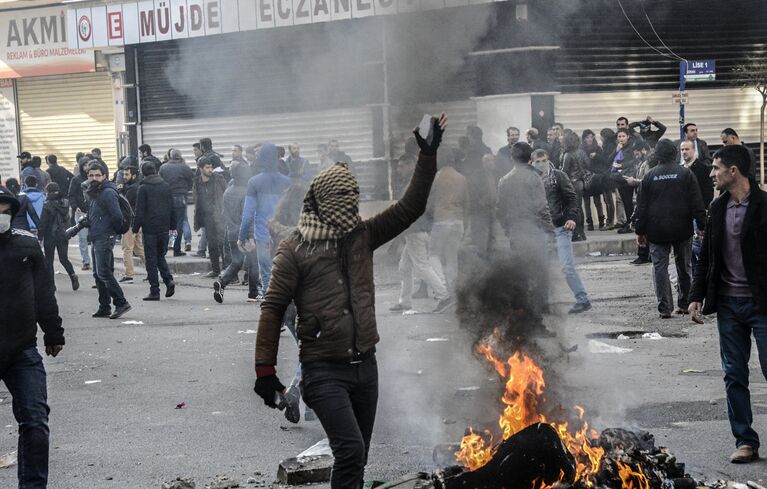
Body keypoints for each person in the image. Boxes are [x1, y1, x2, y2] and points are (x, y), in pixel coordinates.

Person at [253, 114, 447, 489]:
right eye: (340, 200)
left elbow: (410, 208)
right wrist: (265, 373)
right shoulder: (295, 247)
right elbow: (273, 307)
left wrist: (427, 157)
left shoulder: (361, 235)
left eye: (352, 198)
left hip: (365, 367)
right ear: (321, 202)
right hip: (323, 370)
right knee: (351, 451)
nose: (349, 207)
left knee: (357, 458)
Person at [688, 145, 767, 464]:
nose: (711, 173)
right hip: (729, 305)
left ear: (734, 171)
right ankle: (745, 440)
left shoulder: (764, 206)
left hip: (762, 304)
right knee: (734, 373)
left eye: (716, 167)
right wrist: (695, 296)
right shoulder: (718, 208)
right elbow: (705, 255)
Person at [0, 185, 65, 489]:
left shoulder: (26, 246)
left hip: (22, 350)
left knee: (35, 421)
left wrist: (53, 331)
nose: (1, 216)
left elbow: (44, 291)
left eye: (5, 211)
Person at [634, 140, 706, 319]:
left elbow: (641, 207)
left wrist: (640, 231)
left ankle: (665, 308)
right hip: (683, 229)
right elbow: (697, 202)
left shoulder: (649, 177)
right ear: (675, 153)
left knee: (660, 268)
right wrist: (702, 226)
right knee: (684, 267)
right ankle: (684, 304)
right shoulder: (685, 174)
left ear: (657, 155)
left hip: (657, 231)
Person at [496, 142, 555, 334]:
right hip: (534, 233)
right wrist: (550, 232)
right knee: (537, 278)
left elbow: (500, 210)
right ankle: (535, 323)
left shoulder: (504, 180)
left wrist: (508, 229)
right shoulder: (533, 178)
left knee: (521, 277)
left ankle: (520, 322)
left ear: (512, 158)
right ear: (530, 158)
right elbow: (541, 207)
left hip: (517, 233)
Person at [531, 149, 592, 313]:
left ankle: (583, 299)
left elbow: (572, 198)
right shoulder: (530, 179)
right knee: (541, 267)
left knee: (566, 266)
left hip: (561, 227)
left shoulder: (558, 176)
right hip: (541, 229)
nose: (540, 164)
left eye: (543, 160)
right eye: (537, 161)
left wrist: (571, 218)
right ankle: (543, 304)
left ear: (548, 159)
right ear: (531, 162)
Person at [390, 154, 453, 313]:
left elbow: (408, 210)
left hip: (415, 231)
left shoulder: (414, 183)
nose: (399, 169)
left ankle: (444, 296)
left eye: (402, 166)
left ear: (411, 164)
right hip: (416, 230)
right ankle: (405, 302)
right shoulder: (417, 181)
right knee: (404, 267)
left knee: (421, 267)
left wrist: (396, 237)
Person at [237, 144, 292, 292]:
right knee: (286, 274)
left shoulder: (254, 182)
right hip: (284, 235)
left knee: (267, 274)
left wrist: (242, 236)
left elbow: (248, 213)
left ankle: (270, 304)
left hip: (263, 235)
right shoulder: (287, 182)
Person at [86, 162, 132, 319]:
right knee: (98, 273)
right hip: (97, 235)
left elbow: (117, 216)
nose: (94, 178)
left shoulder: (107, 192)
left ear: (104, 176)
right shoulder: (94, 192)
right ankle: (104, 306)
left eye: (97, 175)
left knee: (103, 272)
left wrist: (112, 232)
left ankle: (121, 302)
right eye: (91, 175)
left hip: (105, 236)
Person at [213, 163, 261, 303]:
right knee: (253, 263)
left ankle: (222, 282)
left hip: (231, 232)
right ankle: (253, 293)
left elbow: (224, 214)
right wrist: (251, 236)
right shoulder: (247, 192)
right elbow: (248, 216)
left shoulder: (228, 191)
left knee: (236, 262)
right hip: (244, 234)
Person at [133, 162, 176, 301]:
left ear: (142, 172)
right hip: (164, 228)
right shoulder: (166, 186)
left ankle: (154, 290)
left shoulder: (143, 188)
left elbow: (139, 210)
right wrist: (173, 226)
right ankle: (168, 280)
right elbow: (172, 207)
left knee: (151, 260)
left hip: (150, 229)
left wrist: (135, 228)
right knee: (160, 257)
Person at [428, 148, 468, 293]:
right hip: (458, 220)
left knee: (433, 254)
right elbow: (466, 202)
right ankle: (453, 288)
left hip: (441, 220)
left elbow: (429, 202)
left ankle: (442, 287)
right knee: (452, 256)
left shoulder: (435, 178)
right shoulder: (461, 178)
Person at [38, 182, 79, 291]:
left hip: (50, 235)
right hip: (63, 234)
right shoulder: (65, 202)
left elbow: (43, 222)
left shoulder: (47, 204)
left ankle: (51, 285)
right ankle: (73, 275)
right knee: (64, 258)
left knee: (49, 261)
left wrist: (39, 237)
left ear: (48, 192)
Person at [194, 157, 227, 277]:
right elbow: (197, 200)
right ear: (200, 168)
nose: (210, 169)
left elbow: (226, 194)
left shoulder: (218, 179)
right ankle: (215, 270)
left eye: (211, 167)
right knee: (212, 245)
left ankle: (227, 270)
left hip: (219, 215)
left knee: (222, 243)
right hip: (206, 217)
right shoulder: (197, 181)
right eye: (207, 167)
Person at [160, 149, 195, 256]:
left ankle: (165, 248)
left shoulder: (164, 167)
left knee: (167, 224)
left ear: (170, 156)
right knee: (179, 223)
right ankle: (176, 249)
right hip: (180, 197)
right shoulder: (184, 167)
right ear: (180, 156)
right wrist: (186, 189)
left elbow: (160, 180)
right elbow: (191, 180)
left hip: (166, 198)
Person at [118, 166, 145, 283]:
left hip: (130, 223)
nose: (124, 177)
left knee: (127, 248)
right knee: (139, 249)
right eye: (123, 174)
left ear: (133, 176)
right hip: (137, 222)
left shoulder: (132, 189)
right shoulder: (135, 187)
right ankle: (153, 270)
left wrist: (120, 191)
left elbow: (124, 204)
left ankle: (129, 274)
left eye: (127, 175)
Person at [560, 132, 588, 241]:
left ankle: (576, 233)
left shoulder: (567, 154)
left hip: (571, 183)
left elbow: (564, 171)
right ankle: (582, 233)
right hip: (580, 183)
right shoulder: (581, 152)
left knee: (572, 209)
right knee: (579, 208)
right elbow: (588, 164)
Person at [610, 128, 638, 234]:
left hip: (628, 177)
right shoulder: (619, 147)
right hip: (620, 178)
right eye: (619, 136)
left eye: (623, 136)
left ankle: (630, 224)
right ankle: (628, 223)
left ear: (628, 136)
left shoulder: (631, 147)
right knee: (625, 201)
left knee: (628, 202)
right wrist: (617, 150)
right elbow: (611, 159)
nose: (621, 138)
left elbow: (634, 161)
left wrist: (622, 165)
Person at [68, 156, 92, 271]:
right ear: (82, 166)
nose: (88, 167)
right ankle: (86, 261)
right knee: (83, 238)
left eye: (89, 164)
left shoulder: (95, 178)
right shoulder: (76, 179)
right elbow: (71, 195)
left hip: (94, 212)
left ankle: (97, 261)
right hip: (81, 212)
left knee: (95, 238)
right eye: (86, 164)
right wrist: (75, 207)